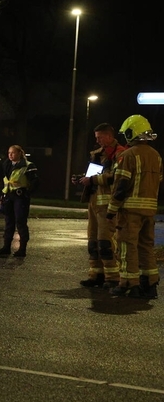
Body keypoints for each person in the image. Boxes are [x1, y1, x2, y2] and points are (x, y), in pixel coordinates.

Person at [105, 115, 161, 299]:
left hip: (130, 211)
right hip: (150, 210)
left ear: (132, 132)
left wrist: (111, 210)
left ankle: (129, 284)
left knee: (127, 247)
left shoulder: (128, 155)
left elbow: (121, 185)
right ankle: (150, 284)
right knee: (146, 246)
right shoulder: (156, 156)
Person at [77, 123, 127, 289]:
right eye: (96, 137)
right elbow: (94, 175)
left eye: (99, 137)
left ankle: (112, 277)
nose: (97, 140)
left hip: (107, 205)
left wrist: (92, 180)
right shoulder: (97, 154)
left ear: (109, 136)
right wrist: (82, 179)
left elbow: (115, 176)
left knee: (105, 242)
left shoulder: (120, 153)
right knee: (93, 241)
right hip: (94, 202)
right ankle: (95, 274)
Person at [0, 145, 39, 257]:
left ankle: (22, 249)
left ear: (20, 153)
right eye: (9, 152)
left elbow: (35, 182)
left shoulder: (28, 165)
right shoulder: (6, 164)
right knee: (8, 222)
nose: (10, 155)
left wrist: (27, 193)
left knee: (20, 222)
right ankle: (6, 247)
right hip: (8, 196)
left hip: (20, 197)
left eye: (13, 153)